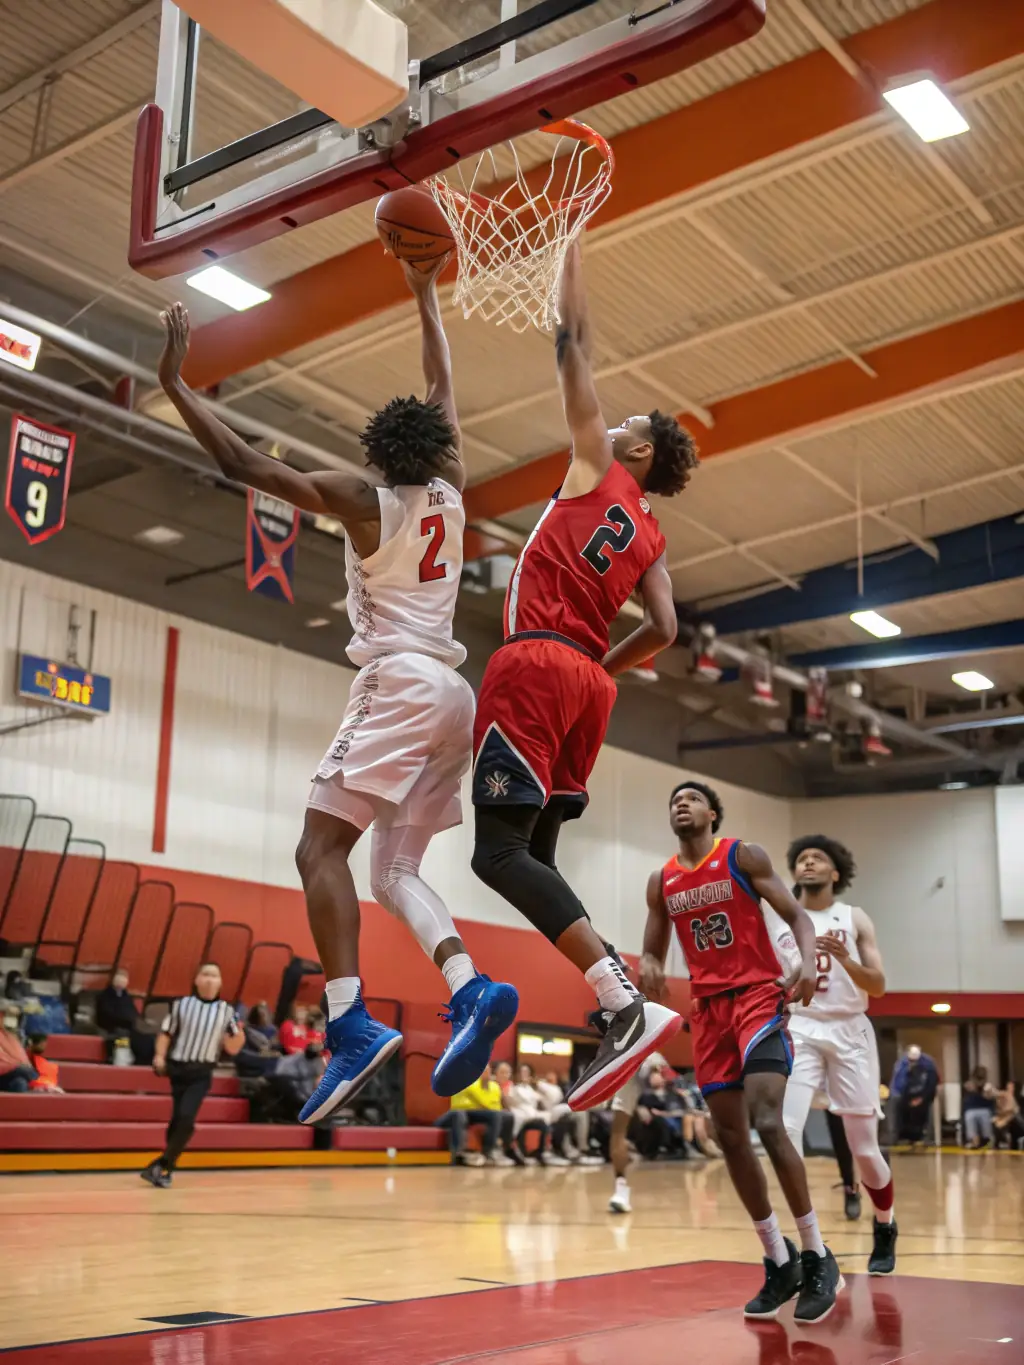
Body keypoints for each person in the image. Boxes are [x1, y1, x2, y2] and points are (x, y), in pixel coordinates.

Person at [157, 273, 517, 1127]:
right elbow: (443, 385)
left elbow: (241, 462)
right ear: (434, 449)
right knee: (393, 872)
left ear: (376, 455)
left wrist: (175, 383)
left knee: (317, 853)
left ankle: (350, 1021)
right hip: (455, 697)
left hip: (398, 680)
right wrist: (426, 289)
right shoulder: (453, 489)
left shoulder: (368, 501)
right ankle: (470, 988)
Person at [469, 241, 698, 1110]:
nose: (618, 419)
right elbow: (667, 628)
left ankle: (620, 999)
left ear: (636, 447)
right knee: (533, 860)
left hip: (535, 662)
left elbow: (572, 346)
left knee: (496, 852)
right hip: (585, 686)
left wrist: (566, 253)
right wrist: (602, 663)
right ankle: (615, 1003)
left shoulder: (597, 465)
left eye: (629, 421)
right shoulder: (652, 538)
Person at [639, 781, 842, 1324]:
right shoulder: (663, 880)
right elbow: (654, 947)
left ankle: (818, 1254)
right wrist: (650, 967)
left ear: (712, 812)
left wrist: (803, 963)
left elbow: (798, 916)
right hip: (709, 1012)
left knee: (768, 1121)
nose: (680, 803)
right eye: (673, 799)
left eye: (690, 798)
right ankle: (779, 1259)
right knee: (727, 1136)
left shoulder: (741, 855)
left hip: (757, 997)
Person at [776, 836, 897, 1277]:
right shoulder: (781, 918)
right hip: (801, 1026)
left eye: (818, 858)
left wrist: (846, 961)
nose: (807, 862)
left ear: (835, 873)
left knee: (864, 1149)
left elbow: (879, 984)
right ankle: (811, 1242)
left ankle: (884, 1225)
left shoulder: (854, 917)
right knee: (785, 1132)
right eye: (801, 858)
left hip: (850, 1028)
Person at [141, 963, 244, 1188]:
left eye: (214, 976)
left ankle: (163, 1164)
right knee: (178, 1119)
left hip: (202, 1070)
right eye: (205, 975)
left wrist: (235, 1037)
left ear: (220, 983)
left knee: (187, 1118)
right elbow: (166, 1033)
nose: (209, 980)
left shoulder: (227, 1011)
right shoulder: (180, 1005)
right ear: (196, 980)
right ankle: (165, 1168)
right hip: (178, 1067)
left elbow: (236, 1043)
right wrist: (159, 1056)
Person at [436, 1064, 517, 1167]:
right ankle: (471, 1153)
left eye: (488, 1070)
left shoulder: (494, 1086)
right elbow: (484, 1103)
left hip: (475, 1113)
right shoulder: (467, 1082)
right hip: (460, 1112)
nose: (487, 1073)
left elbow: (496, 1105)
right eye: (483, 1070)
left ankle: (506, 1150)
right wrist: (491, 1105)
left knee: (508, 1116)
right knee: (461, 1114)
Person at [892, 1045, 938, 1144]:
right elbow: (898, 1083)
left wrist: (922, 1099)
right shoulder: (902, 1064)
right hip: (907, 1096)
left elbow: (932, 1085)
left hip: (924, 1095)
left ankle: (922, 1136)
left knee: (922, 1111)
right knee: (900, 1107)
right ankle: (903, 1136)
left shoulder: (929, 1064)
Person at [962, 1066, 996, 1149]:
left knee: (983, 1117)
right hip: (972, 1110)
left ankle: (985, 1140)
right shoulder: (969, 1085)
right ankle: (975, 1141)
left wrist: (987, 1092)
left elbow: (991, 1097)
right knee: (970, 1116)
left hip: (984, 1109)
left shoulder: (988, 1087)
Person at [0, 1018, 37, 1093]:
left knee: (20, 1083)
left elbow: (22, 1060)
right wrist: (16, 1066)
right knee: (25, 1071)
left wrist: (19, 1065)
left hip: (7, 1075)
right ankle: (46, 1086)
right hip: (5, 1072)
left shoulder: (6, 1036)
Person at [993, 1082, 1024, 1150]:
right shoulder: (1003, 1097)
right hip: (1006, 1119)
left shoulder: (1019, 1099)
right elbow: (1000, 1110)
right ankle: (999, 1143)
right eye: (1008, 1087)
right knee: (996, 1122)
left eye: (1012, 1087)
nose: (1010, 1089)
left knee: (1014, 1119)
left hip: (1016, 1122)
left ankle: (1006, 1143)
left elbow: (1015, 1111)